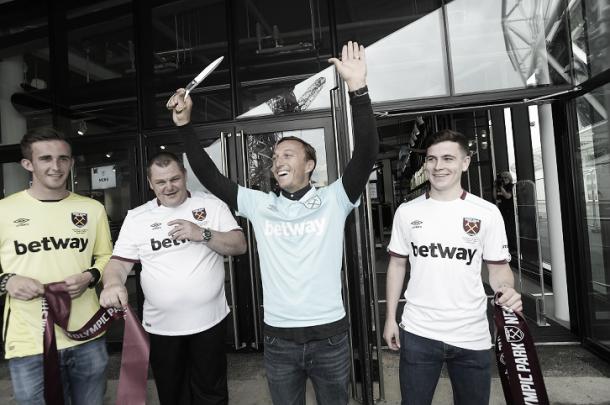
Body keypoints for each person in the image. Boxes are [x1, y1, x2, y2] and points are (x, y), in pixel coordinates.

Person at [166, 41, 378, 405]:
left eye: (288, 154)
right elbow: (211, 176)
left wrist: (358, 89)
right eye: (276, 155)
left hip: (330, 336)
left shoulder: (334, 199)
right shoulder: (260, 204)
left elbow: (367, 153)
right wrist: (185, 126)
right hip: (279, 338)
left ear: (309, 164)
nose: (277, 160)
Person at [382, 129, 522, 405]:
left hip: (471, 335)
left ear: (465, 162)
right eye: (432, 159)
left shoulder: (487, 213)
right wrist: (390, 317)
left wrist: (507, 289)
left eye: (448, 158)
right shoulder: (407, 212)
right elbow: (397, 264)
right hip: (418, 332)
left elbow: (498, 268)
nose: (438, 166)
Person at [99, 151, 247, 405]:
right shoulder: (137, 217)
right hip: (162, 327)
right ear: (150, 183)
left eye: (174, 179)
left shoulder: (212, 205)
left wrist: (203, 233)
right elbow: (119, 263)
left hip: (209, 322)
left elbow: (239, 245)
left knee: (212, 392)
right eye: (161, 182)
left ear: (185, 176)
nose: (169, 187)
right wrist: (112, 283)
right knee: (172, 393)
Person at [0, 127, 113, 405]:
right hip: (29, 340)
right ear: (28, 164)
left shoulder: (92, 209)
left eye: (63, 158)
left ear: (72, 163)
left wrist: (90, 275)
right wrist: (7, 280)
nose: (56, 166)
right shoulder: (4, 210)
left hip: (87, 333)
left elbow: (107, 257)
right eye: (46, 159)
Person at [495, 171, 517, 254]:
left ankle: (513, 248)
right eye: (502, 178)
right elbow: (495, 197)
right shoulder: (501, 186)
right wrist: (495, 187)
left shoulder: (511, 186)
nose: (504, 179)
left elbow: (508, 196)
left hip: (509, 210)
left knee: (510, 229)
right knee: (503, 229)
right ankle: (506, 246)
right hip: (502, 210)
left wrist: (501, 188)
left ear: (509, 178)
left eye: (505, 177)